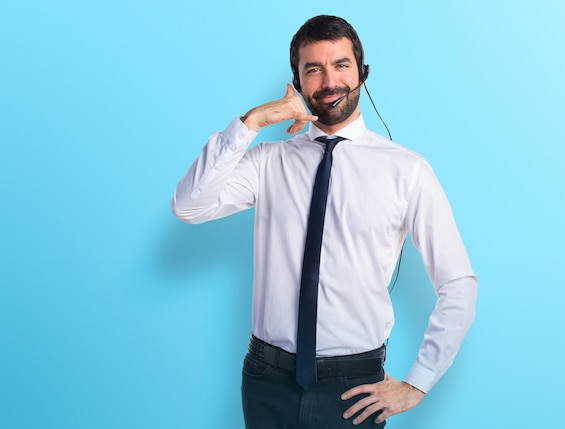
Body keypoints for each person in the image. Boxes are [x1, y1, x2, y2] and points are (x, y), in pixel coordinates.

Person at [171, 15, 477, 428]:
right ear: (298, 82)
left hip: (354, 389)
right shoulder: (268, 162)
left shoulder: (407, 171)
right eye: (313, 69)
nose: (329, 81)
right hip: (267, 380)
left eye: (341, 65)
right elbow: (189, 205)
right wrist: (252, 121)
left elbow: (458, 283)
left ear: (362, 72)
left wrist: (418, 383)